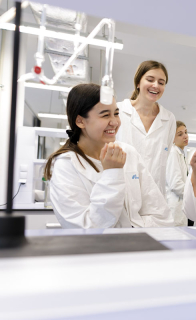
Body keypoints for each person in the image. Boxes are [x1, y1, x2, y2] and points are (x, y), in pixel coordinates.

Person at [44, 83, 174, 229]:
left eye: (116, 114)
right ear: (80, 121)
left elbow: (161, 214)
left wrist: (132, 231)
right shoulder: (66, 165)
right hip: (97, 251)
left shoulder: (128, 153)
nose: (115, 122)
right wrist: (112, 173)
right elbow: (87, 227)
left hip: (137, 247)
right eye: (105, 115)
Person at [116, 60, 176, 195]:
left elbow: (164, 157)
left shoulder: (168, 118)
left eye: (161, 82)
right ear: (138, 83)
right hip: (121, 192)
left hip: (155, 195)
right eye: (150, 79)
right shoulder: (118, 111)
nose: (156, 85)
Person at [165, 121, 190, 226]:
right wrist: (193, 195)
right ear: (172, 138)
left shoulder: (180, 153)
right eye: (180, 134)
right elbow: (176, 184)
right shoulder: (173, 153)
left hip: (180, 205)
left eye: (186, 132)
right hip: (175, 206)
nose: (185, 136)